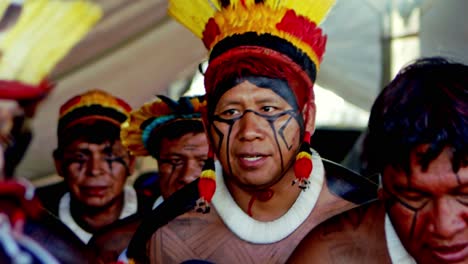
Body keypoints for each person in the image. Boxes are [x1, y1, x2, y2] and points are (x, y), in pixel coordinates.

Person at [121, 0, 378, 263]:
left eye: (268, 109)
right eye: (231, 112)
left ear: (308, 117)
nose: (249, 131)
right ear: (208, 126)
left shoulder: (370, 218)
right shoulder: (165, 234)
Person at [287, 57, 468, 264]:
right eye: (415, 198)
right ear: (382, 192)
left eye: (465, 194)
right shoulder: (331, 258)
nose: (445, 227)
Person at [87, 95, 209, 262]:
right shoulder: (114, 244)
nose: (187, 176)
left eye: (204, 163)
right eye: (175, 162)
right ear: (158, 163)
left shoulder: (253, 234)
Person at [36, 89, 153, 244]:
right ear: (59, 164)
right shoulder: (33, 217)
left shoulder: (157, 218)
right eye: (80, 157)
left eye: (109, 156)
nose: (95, 170)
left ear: (131, 163)